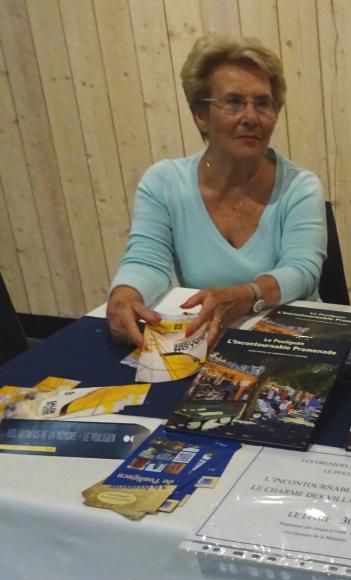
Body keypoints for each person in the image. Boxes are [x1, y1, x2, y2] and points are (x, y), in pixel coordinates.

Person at [107, 34, 327, 348]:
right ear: (201, 114)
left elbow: (302, 271)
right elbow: (147, 261)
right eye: (234, 102)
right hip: (208, 340)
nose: (251, 117)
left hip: (293, 338)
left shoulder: (300, 186)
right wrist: (124, 296)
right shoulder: (164, 183)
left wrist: (245, 295)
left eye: (263, 103)